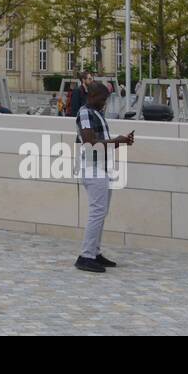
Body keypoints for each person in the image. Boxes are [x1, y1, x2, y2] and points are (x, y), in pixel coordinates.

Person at [75, 81, 134, 273]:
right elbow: (90, 142)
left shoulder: (97, 113)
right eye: (102, 98)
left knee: (101, 213)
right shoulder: (85, 113)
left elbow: (102, 144)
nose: (104, 102)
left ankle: (94, 252)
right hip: (93, 169)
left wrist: (121, 142)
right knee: (97, 213)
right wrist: (117, 140)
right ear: (92, 96)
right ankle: (86, 256)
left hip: (102, 168)